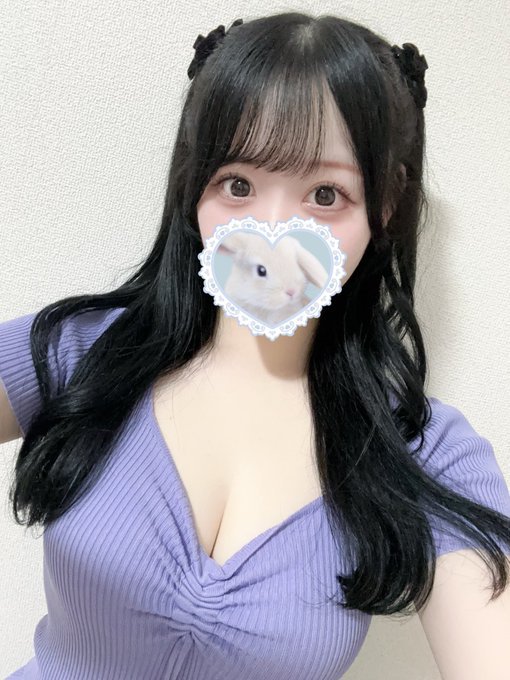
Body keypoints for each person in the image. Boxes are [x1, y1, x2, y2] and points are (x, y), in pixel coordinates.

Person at [1, 11, 510, 680]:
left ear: (384, 205)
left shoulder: (428, 453)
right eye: (238, 185)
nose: (272, 230)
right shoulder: (78, 351)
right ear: (194, 186)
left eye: (325, 194)